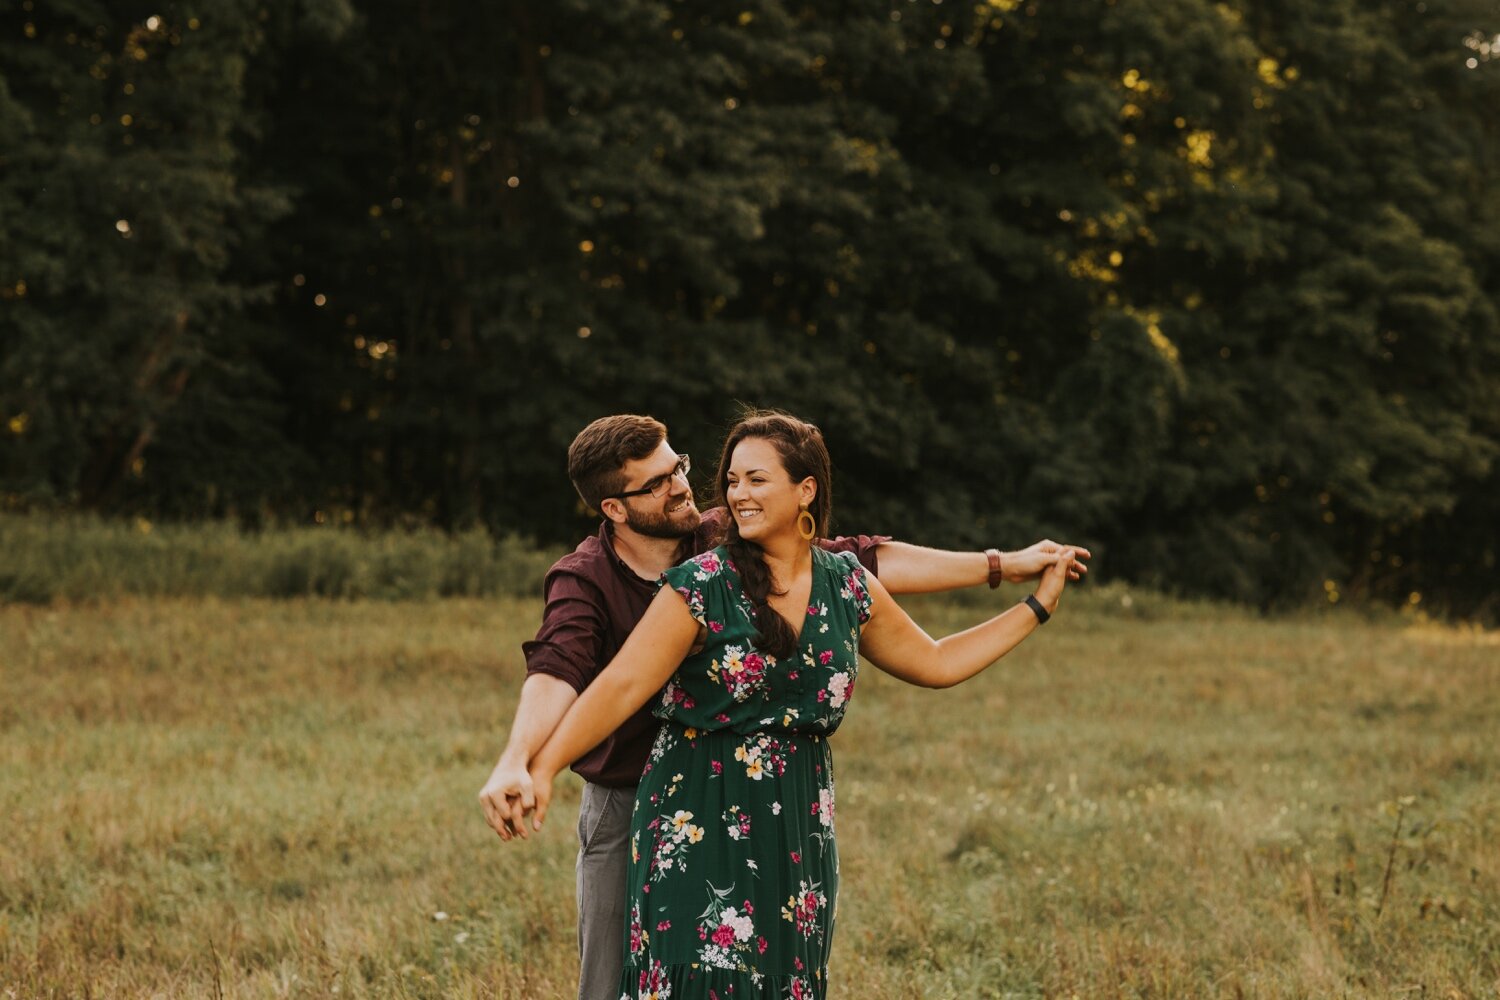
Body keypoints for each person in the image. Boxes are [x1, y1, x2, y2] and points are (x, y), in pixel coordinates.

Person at [478, 413, 1089, 1000]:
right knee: (635, 983)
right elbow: (591, 679)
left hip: (794, 822)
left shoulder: (826, 574)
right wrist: (531, 763)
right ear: (615, 507)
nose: (697, 489)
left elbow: (932, 656)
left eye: (685, 469)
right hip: (676, 808)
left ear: (805, 490)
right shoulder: (668, 579)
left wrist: (1024, 592)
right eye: (728, 480)